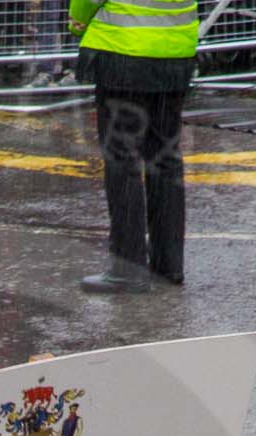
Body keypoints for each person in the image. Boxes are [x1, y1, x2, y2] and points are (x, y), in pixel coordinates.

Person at [70, 0, 199, 293]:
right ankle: (168, 265)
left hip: (124, 50)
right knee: (165, 158)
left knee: (122, 160)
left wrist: (77, 20)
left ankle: (127, 268)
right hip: (176, 49)